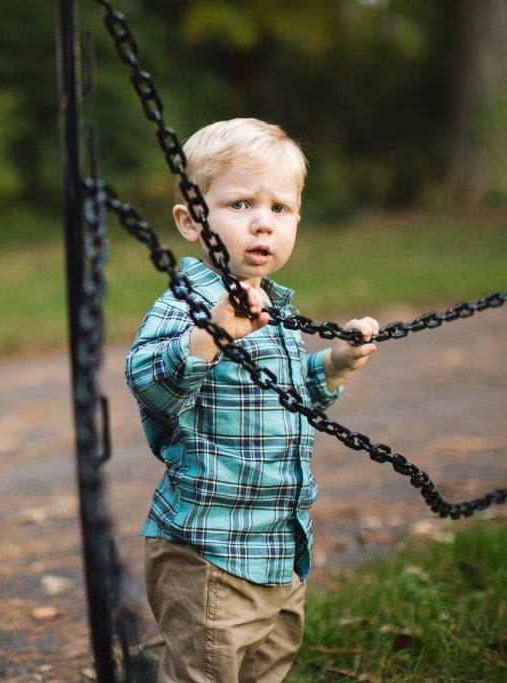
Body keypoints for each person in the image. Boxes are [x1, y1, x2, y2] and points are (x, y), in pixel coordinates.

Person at [125, 118, 380, 683]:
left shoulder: (275, 305)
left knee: (269, 664)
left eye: (281, 209)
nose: (263, 222)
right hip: (209, 550)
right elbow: (146, 378)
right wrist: (210, 337)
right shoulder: (192, 302)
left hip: (277, 543)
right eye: (240, 204)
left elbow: (285, 394)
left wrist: (332, 366)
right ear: (191, 221)